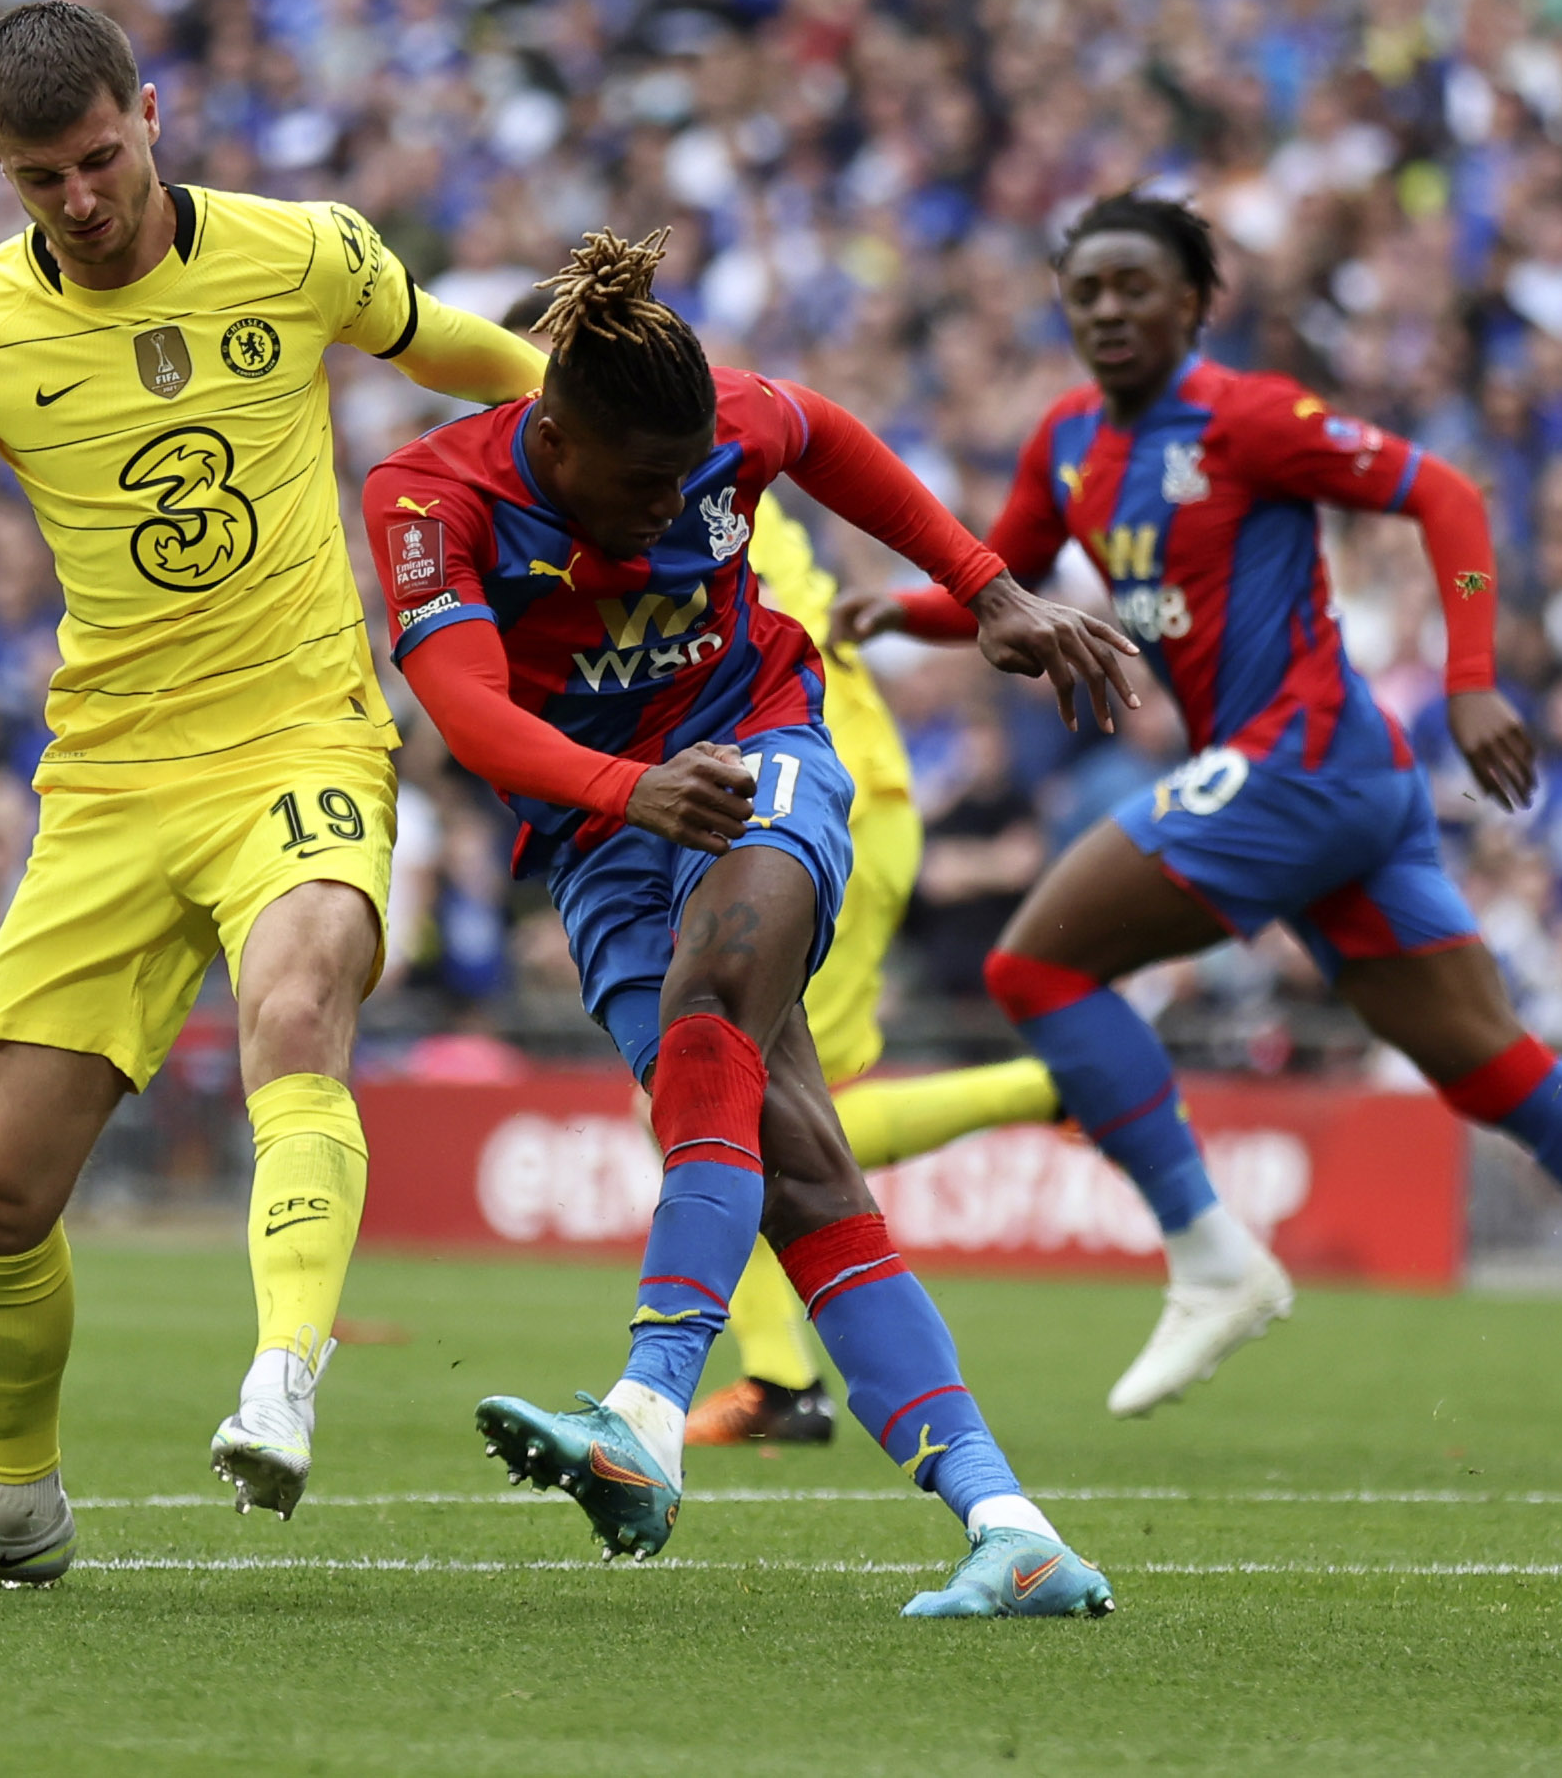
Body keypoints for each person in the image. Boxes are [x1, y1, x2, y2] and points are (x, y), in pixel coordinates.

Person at [0, 1, 556, 1585]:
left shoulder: (303, 252)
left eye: (98, 157)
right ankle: (18, 1506)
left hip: (301, 736)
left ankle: (283, 1377)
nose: (79, 198)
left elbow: (481, 363)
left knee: (296, 1009)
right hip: (110, 778)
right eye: (38, 178)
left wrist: (608, 420)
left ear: (149, 114)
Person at [843, 193, 1562, 1473]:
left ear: (1197, 300)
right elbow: (1003, 583)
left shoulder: (1249, 416)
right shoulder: (1067, 441)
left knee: (1034, 965)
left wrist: (1470, 679)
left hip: (1300, 760)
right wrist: (894, 611)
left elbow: (1445, 496)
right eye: (1084, 291)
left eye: (1134, 286)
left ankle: (1208, 1254)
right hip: (1327, 787)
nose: (1106, 311)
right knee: (1488, 1064)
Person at [373, 229, 1138, 1617]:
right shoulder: (433, 497)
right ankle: (1007, 1521)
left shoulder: (725, 421)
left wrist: (988, 587)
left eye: (689, 481)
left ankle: (648, 1406)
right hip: (603, 826)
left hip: (758, 743)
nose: (673, 508)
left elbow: (831, 435)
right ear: (553, 427)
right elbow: (467, 707)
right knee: (796, 1170)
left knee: (717, 995)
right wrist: (623, 787)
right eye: (644, 482)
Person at [481, 284, 1063, 1451]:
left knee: (748, 1093)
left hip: (781, 772)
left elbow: (816, 439)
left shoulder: (671, 472)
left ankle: (1058, 1088)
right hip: (759, 779)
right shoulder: (625, 468)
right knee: (738, 1096)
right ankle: (837, 1413)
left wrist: (982, 584)